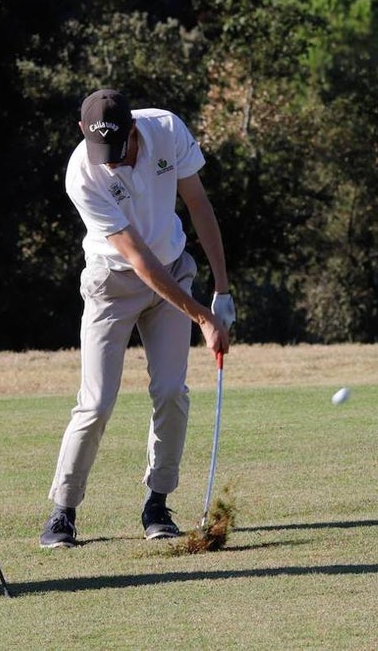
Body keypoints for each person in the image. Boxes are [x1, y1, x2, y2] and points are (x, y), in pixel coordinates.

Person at [39, 88, 235, 548]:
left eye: (117, 148)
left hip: (173, 272)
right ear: (82, 131)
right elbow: (138, 259)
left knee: (170, 392)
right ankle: (63, 511)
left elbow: (198, 204)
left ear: (133, 129)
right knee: (96, 403)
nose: (109, 162)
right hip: (112, 283)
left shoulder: (166, 129)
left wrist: (222, 290)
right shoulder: (81, 173)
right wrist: (203, 318)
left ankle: (157, 503)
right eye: (99, 149)